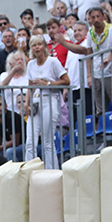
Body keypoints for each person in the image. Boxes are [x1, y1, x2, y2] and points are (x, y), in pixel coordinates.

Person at [24, 34, 69, 170]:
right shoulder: (31, 64)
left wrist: (48, 83)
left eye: (39, 44)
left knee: (47, 140)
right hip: (36, 101)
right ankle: (29, 170)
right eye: (34, 45)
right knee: (30, 140)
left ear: (44, 46)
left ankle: (52, 170)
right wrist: (26, 103)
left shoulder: (53, 61)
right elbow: (30, 86)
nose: (37, 47)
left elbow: (66, 81)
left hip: (50, 99)